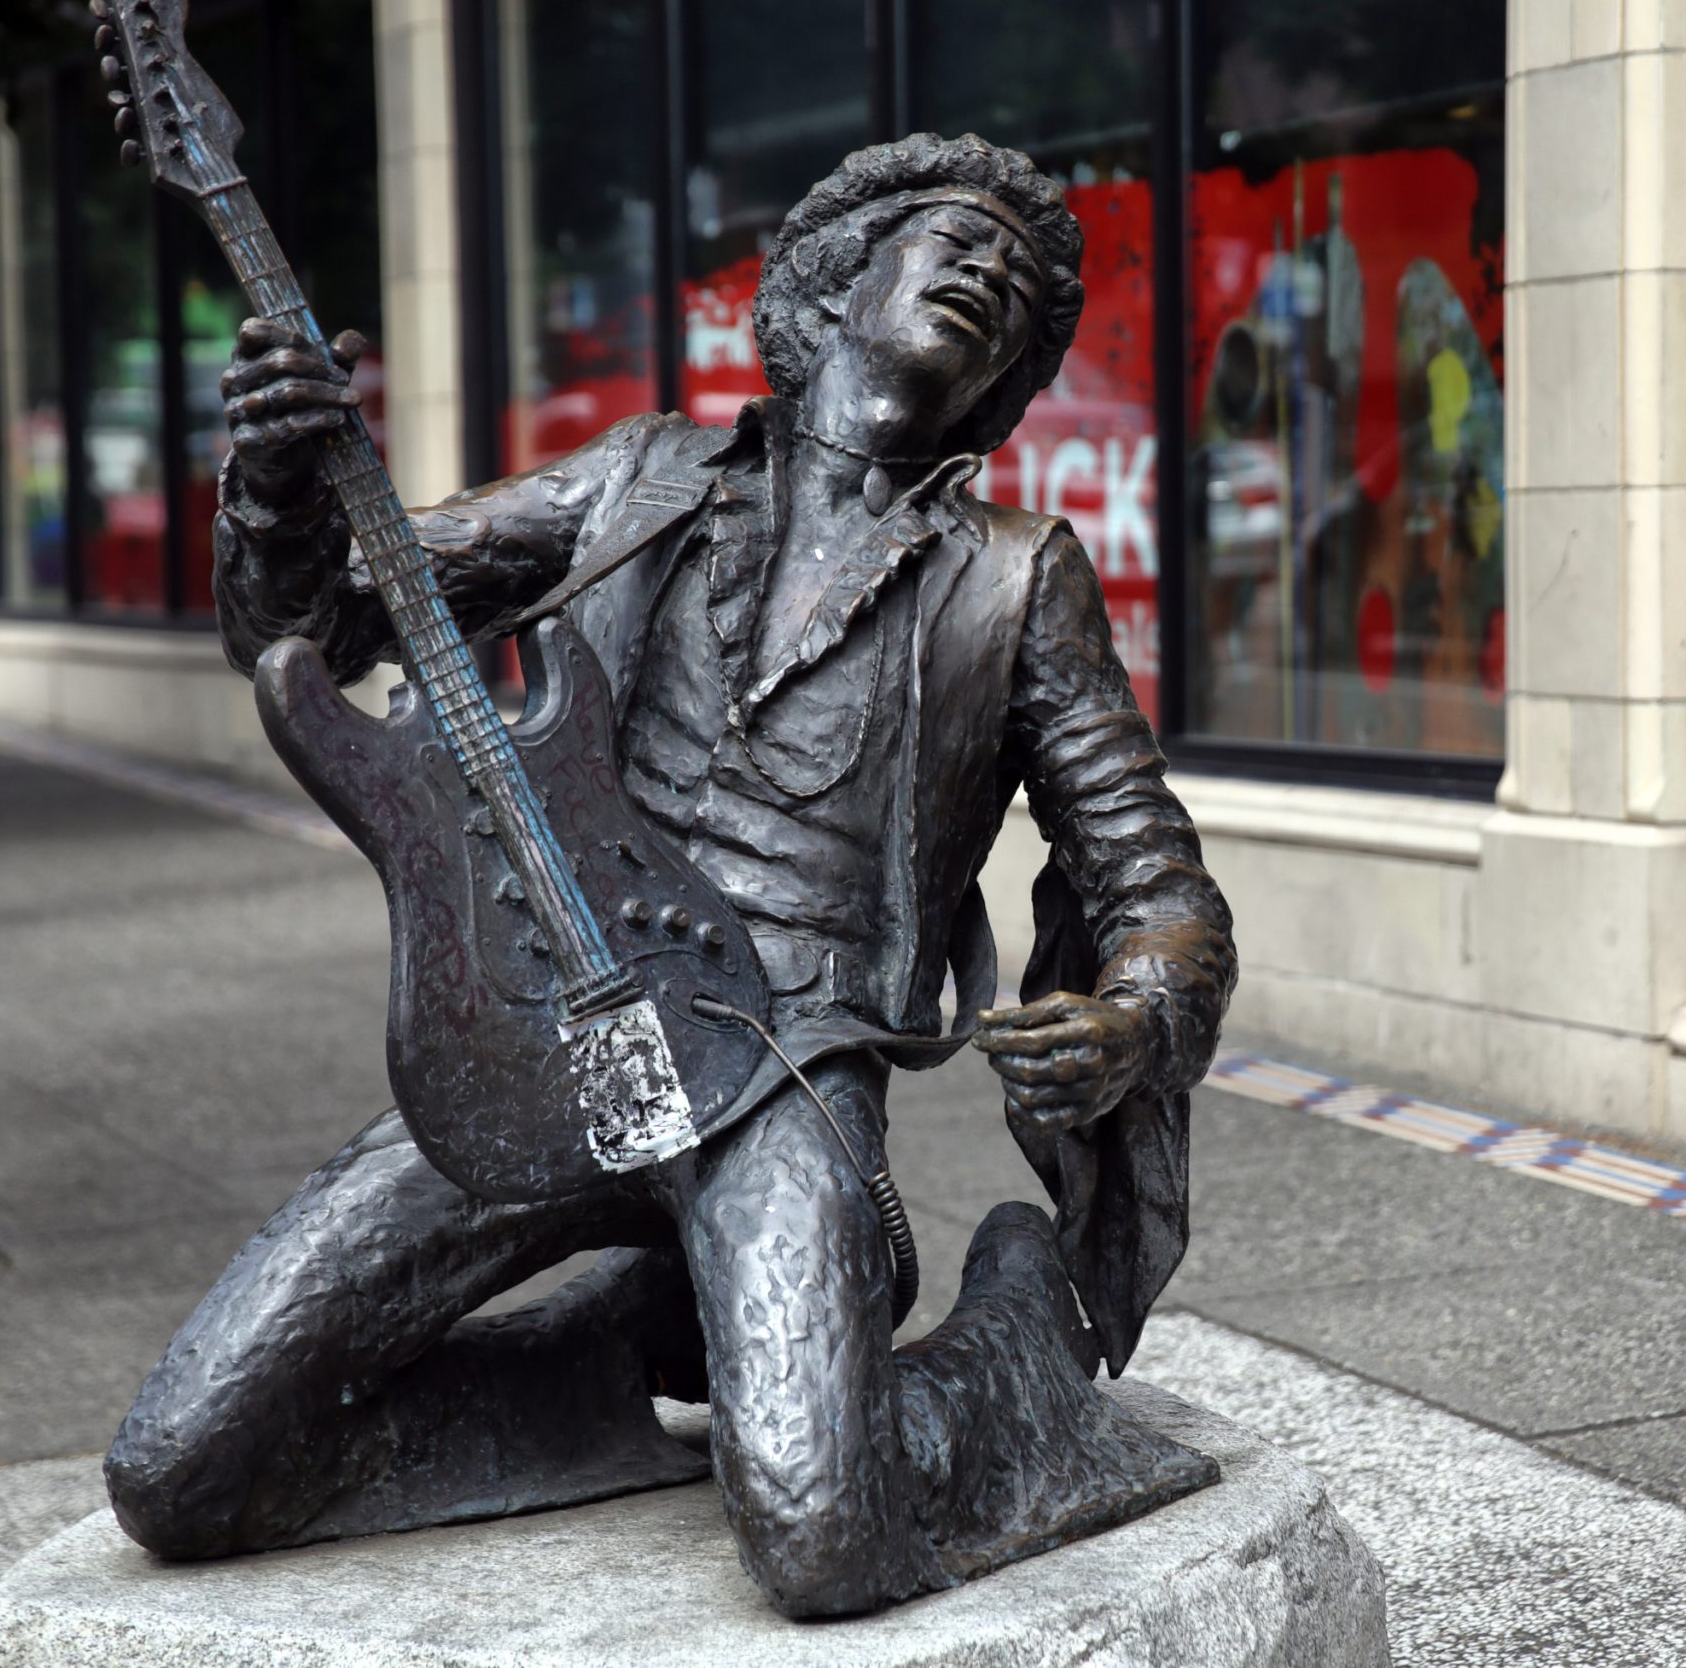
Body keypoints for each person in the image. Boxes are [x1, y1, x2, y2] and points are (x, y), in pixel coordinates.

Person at [102, 134, 1237, 1618]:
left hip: (791, 1064)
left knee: (826, 1536)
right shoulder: (640, 475)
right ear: (835, 282)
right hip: (561, 1034)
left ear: (1008, 378)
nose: (985, 274)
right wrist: (274, 488)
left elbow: (1158, 887)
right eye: (951, 241)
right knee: (180, 1471)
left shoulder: (1017, 576)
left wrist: (1135, 1022)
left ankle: (1013, 1337)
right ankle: (593, 1372)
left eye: (1016, 289)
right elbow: (324, 622)